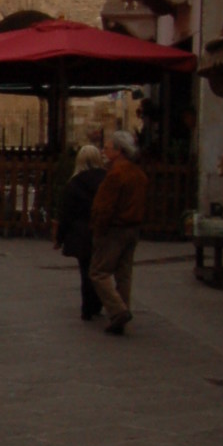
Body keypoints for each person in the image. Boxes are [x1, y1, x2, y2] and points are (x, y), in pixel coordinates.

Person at [89, 129, 148, 335]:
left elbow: (104, 206)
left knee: (98, 272)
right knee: (124, 274)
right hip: (133, 228)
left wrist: (98, 228)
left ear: (119, 151)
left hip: (114, 229)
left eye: (108, 148)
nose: (104, 151)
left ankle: (118, 310)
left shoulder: (115, 174)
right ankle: (121, 314)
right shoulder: (139, 174)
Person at [56, 143, 106, 321]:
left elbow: (66, 213)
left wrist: (60, 237)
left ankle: (87, 307)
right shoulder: (106, 179)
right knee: (101, 269)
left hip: (81, 232)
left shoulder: (74, 183)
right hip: (102, 229)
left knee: (85, 270)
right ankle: (99, 303)